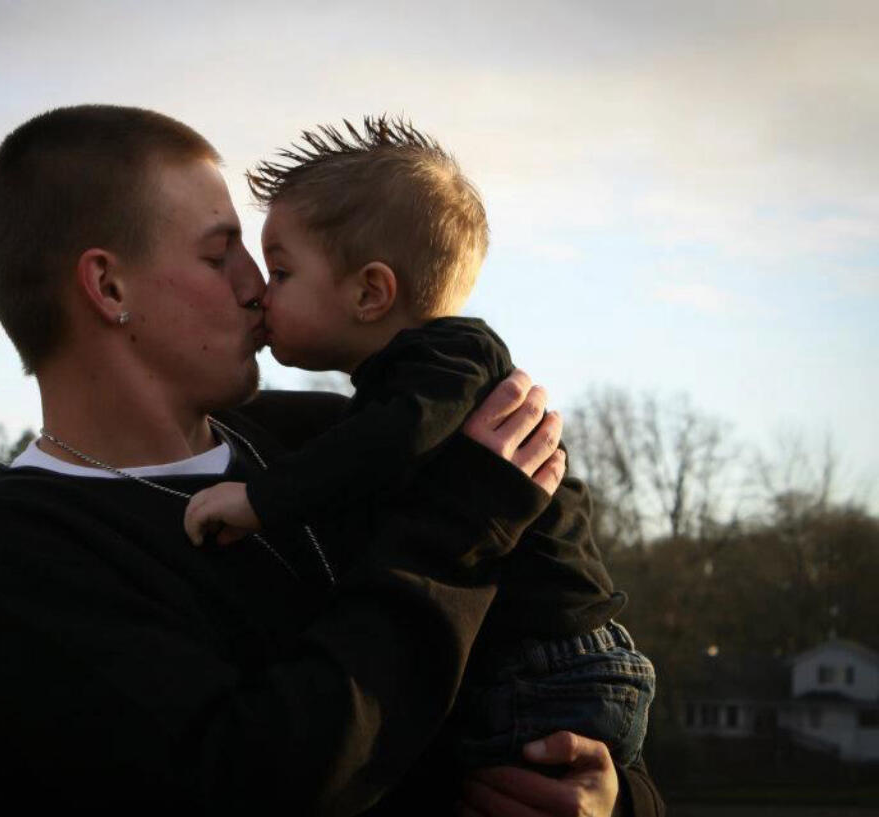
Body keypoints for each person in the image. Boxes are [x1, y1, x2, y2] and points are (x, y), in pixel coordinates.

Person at [0, 104, 664, 815]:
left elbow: (551, 663)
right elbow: (249, 780)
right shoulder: (19, 546)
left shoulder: (332, 437)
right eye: (218, 250)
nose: (255, 284)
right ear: (108, 287)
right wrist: (459, 533)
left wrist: (612, 801)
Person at [182, 117, 655, 770]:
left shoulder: (451, 361)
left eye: (283, 272)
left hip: (552, 666)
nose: (263, 294)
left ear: (370, 292)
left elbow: (382, 445)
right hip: (537, 663)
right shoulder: (403, 388)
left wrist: (261, 499)